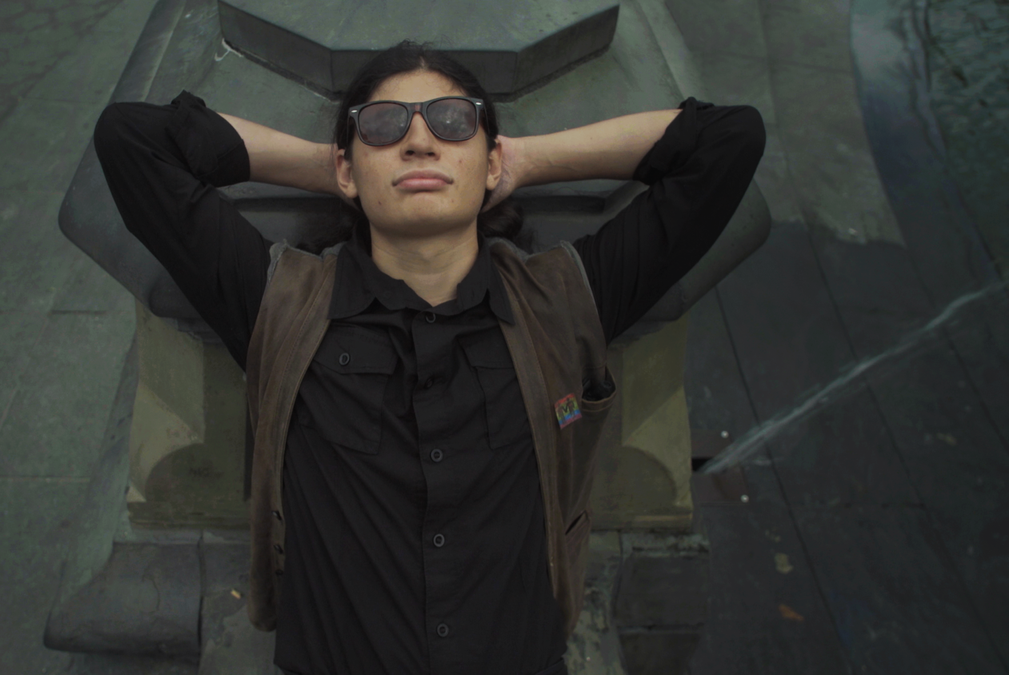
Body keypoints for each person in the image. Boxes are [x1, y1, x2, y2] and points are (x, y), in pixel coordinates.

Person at [93, 40, 764, 675]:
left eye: (453, 122)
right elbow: (132, 139)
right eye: (383, 125)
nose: (419, 140)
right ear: (347, 166)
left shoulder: (559, 303)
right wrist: (340, 168)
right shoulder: (280, 303)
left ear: (490, 161)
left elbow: (728, 140)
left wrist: (520, 160)